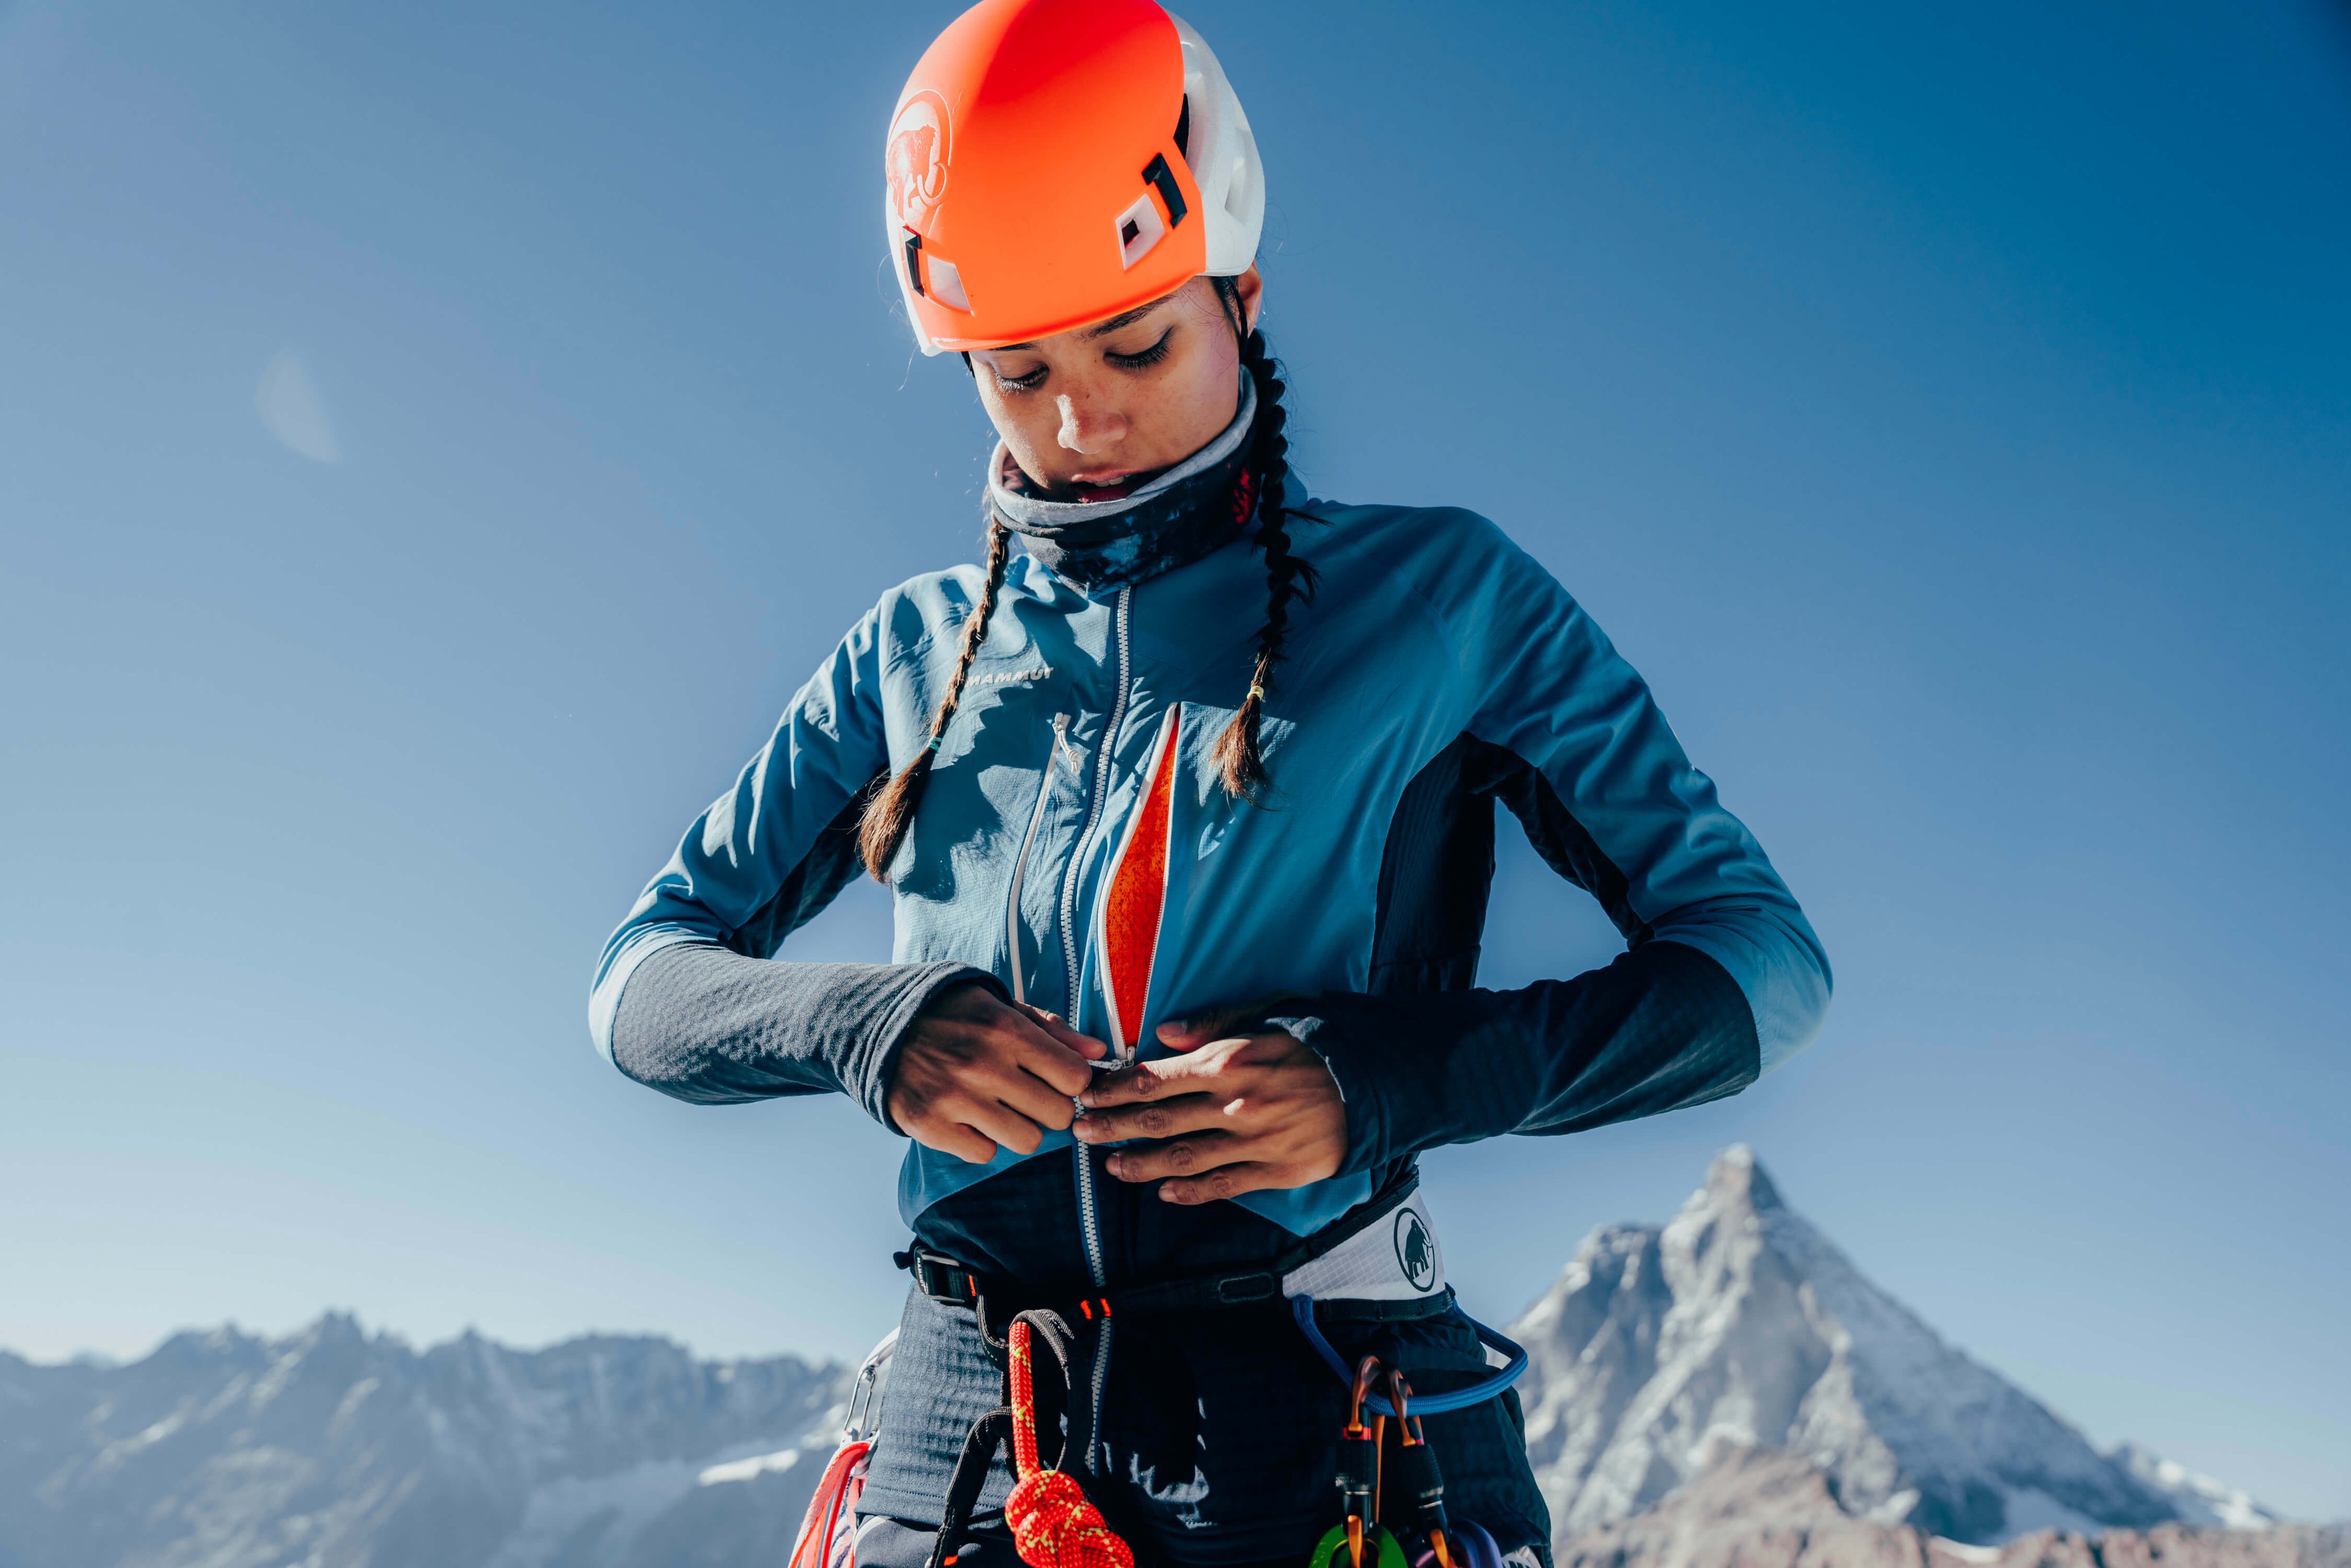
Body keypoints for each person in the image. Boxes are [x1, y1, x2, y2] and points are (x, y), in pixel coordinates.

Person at [588, 2, 1831, 1565]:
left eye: (1137, 341)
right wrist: (861, 1027)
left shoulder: (1443, 602)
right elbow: (641, 983)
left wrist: (1388, 1075)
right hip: (968, 1435)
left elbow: (1762, 967)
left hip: (1329, 1421)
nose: (1076, 419)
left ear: (1242, 289)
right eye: (1013, 368)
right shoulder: (906, 655)